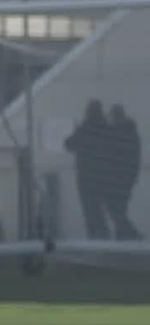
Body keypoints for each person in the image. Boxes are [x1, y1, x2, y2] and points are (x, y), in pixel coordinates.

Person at [64, 100, 112, 240]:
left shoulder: (85, 128)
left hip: (85, 175)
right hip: (103, 175)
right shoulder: (106, 128)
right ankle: (103, 232)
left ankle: (94, 234)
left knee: (89, 207)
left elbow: (68, 144)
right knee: (99, 206)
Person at [104, 104, 142, 240]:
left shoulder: (120, 132)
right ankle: (123, 236)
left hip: (119, 178)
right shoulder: (130, 132)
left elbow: (115, 154)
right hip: (125, 178)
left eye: (112, 116)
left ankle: (132, 235)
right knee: (118, 210)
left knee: (116, 210)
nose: (110, 118)